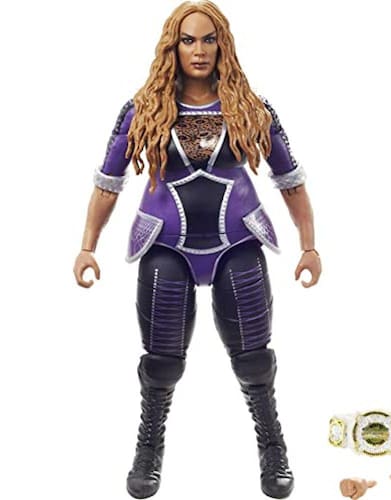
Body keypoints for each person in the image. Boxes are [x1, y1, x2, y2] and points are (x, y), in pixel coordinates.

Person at [73, 2, 321, 498]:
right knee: (161, 361)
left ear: (222, 45)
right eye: (188, 40)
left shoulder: (251, 108)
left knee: (254, 359)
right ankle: (149, 448)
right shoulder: (142, 109)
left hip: (237, 242)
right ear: (173, 46)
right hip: (166, 243)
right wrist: (87, 247)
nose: (199, 50)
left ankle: (273, 446)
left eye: (209, 39)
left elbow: (290, 179)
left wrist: (309, 246)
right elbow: (108, 182)